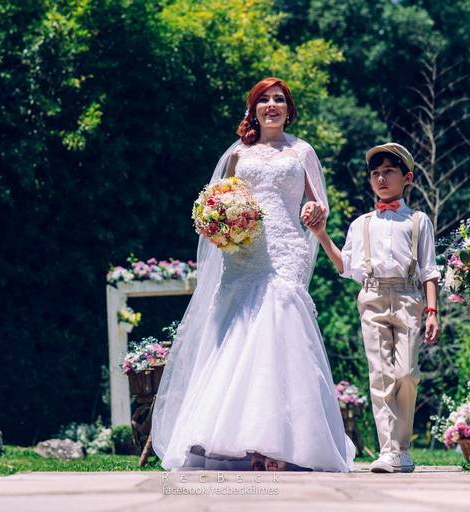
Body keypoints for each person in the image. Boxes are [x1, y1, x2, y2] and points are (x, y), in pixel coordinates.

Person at [151, 77, 356, 472]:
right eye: (264, 100)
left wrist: (315, 213)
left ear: (288, 110)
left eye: (279, 100)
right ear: (254, 109)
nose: (272, 106)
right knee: (238, 333)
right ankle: (236, 440)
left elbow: (320, 203)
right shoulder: (237, 155)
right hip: (243, 252)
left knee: (281, 329)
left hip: (286, 248)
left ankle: (280, 445)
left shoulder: (302, 151)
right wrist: (219, 223)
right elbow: (219, 199)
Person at [306, 142, 439, 473]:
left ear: (407, 178)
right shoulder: (361, 224)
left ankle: (403, 448)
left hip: (408, 298)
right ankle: (389, 450)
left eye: (389, 172)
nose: (381, 178)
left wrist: (432, 311)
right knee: (380, 375)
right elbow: (346, 266)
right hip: (372, 297)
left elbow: (429, 270)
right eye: (375, 173)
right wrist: (322, 235)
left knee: (406, 373)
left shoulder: (418, 221)